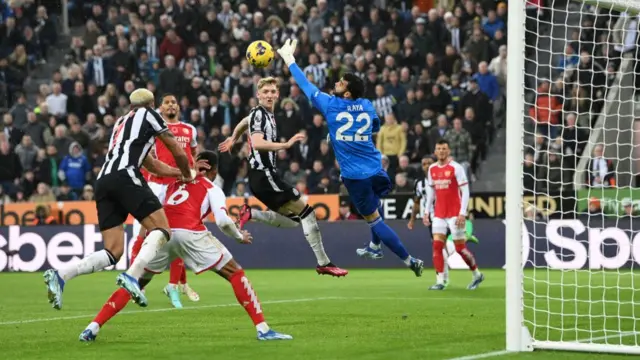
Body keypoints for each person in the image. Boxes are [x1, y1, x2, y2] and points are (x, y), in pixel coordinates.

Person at [79, 151, 292, 342]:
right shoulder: (212, 187)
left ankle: (92, 327)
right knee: (235, 273)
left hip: (163, 233)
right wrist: (239, 237)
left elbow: (155, 208)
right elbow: (224, 221)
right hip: (191, 232)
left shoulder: (173, 183)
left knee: (134, 283)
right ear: (215, 170)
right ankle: (263, 329)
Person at [275, 39, 423, 276]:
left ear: (346, 91)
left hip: (355, 175)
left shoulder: (331, 104)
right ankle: (374, 246)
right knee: (375, 207)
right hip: (376, 168)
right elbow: (374, 126)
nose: (336, 82)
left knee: (374, 220)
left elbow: (305, 85)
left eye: (341, 81)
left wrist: (289, 60)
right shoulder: (366, 104)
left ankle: (409, 259)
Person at [44, 88, 193, 310]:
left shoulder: (121, 122)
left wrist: (177, 173)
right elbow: (176, 148)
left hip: (104, 181)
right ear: (152, 104)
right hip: (126, 176)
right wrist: (188, 172)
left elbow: (151, 164)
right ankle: (133, 276)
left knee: (113, 251)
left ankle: (61, 274)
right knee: (162, 230)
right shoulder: (150, 115)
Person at [218, 76, 347, 277]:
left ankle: (252, 214)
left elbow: (245, 122)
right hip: (264, 176)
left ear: (277, 94)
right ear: (258, 95)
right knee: (308, 213)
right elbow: (259, 142)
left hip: (264, 178)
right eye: (265, 92)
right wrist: (285, 145)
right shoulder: (260, 114)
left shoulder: (262, 114)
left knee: (296, 220)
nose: (269, 95)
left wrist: (234, 136)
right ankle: (324, 263)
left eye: (272, 91)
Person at [136, 93, 200, 308]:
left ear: (178, 107)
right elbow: (146, 157)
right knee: (144, 233)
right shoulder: (154, 127)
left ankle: (173, 285)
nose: (171, 105)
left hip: (179, 185)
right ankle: (136, 283)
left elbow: (193, 155)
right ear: (160, 108)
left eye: (174, 102)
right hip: (157, 184)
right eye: (167, 103)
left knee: (177, 234)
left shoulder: (190, 129)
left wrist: (194, 173)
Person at [422, 139, 484, 290]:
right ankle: (440, 281)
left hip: (455, 214)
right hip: (439, 214)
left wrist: (462, 213)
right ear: (435, 151)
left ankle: (477, 274)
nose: (441, 151)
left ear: (448, 151)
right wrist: (426, 212)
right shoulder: (432, 169)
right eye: (439, 149)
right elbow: (431, 193)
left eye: (444, 149)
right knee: (437, 246)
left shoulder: (456, 168)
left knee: (460, 249)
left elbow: (465, 191)